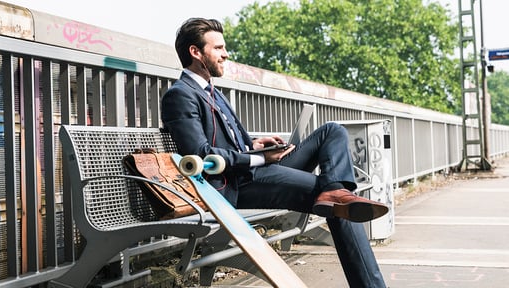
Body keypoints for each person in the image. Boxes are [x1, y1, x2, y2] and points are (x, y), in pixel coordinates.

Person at [162, 17, 388, 288]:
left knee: (332, 131)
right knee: (342, 205)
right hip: (236, 184)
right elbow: (201, 155)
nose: (226, 54)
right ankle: (339, 201)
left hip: (254, 167)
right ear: (195, 52)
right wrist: (258, 158)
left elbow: (230, 144)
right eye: (219, 48)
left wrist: (255, 145)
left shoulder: (213, 92)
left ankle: (335, 190)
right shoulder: (180, 95)